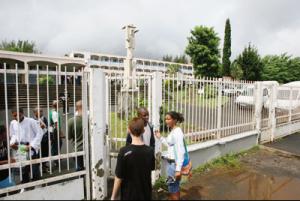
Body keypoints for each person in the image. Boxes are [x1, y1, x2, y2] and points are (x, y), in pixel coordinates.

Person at [111, 118, 155, 200]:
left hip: (129, 195)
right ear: (143, 131)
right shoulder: (150, 151)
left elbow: (118, 176)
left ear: (128, 130)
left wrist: (113, 196)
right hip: (146, 194)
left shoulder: (123, 151)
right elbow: (151, 168)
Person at [155, 111, 185, 201]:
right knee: (174, 186)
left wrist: (178, 169)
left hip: (174, 165)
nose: (166, 121)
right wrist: (160, 137)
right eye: (165, 119)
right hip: (171, 164)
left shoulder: (177, 132)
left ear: (175, 120)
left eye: (168, 119)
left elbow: (181, 151)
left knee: (172, 187)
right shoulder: (174, 131)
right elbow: (169, 144)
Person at [9, 108, 44, 183]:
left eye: (19, 115)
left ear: (22, 113)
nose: (16, 117)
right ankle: (25, 185)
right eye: (14, 116)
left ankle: (37, 184)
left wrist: (32, 146)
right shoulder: (13, 123)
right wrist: (12, 143)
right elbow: (13, 135)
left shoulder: (31, 121)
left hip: (30, 147)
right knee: (23, 169)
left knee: (34, 168)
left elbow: (40, 133)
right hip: (20, 147)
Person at [68, 100, 84, 171]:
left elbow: (69, 137)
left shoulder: (71, 121)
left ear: (76, 108)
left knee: (80, 170)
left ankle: (82, 181)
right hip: (90, 149)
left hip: (78, 149)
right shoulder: (91, 120)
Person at [33, 107, 49, 173]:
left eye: (42, 111)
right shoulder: (33, 120)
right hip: (38, 141)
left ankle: (44, 166)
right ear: (35, 113)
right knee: (38, 154)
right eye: (40, 111)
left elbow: (48, 127)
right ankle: (38, 169)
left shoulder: (44, 118)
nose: (41, 113)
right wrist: (40, 127)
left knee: (45, 153)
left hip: (45, 139)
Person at [49, 100, 64, 167]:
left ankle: (56, 158)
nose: (61, 104)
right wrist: (60, 133)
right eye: (59, 104)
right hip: (55, 131)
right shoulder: (55, 113)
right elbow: (56, 124)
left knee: (55, 145)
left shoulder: (51, 112)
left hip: (52, 130)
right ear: (56, 105)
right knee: (57, 144)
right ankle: (56, 160)